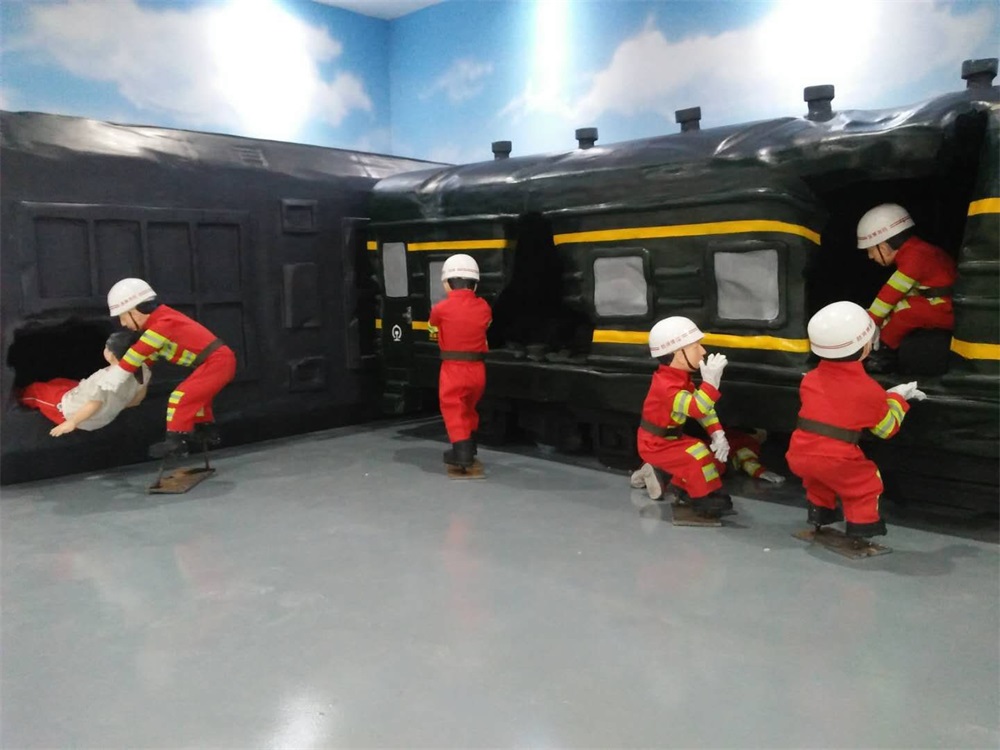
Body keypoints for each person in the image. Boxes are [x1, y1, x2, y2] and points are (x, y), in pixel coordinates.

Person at [785, 301, 926, 542]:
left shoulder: (809, 379)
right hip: (836, 459)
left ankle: (820, 515)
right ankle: (863, 528)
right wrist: (897, 398)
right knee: (865, 483)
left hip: (798, 454)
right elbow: (886, 429)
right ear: (865, 346)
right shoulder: (868, 390)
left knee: (819, 481)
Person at [103, 278, 237, 458]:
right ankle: (205, 430)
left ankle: (176, 441)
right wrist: (132, 374)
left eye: (123, 317)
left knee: (180, 397)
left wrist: (118, 374)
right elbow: (149, 357)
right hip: (215, 362)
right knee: (196, 398)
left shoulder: (163, 323)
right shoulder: (160, 324)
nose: (123, 323)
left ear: (135, 311)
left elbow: (140, 351)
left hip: (217, 362)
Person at [630, 316, 733, 517]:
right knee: (696, 457)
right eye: (695, 347)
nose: (703, 351)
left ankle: (685, 487)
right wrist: (711, 384)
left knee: (707, 453)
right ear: (678, 354)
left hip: (669, 440)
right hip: (655, 444)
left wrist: (717, 434)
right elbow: (697, 408)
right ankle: (702, 497)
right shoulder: (667, 387)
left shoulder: (679, 381)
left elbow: (705, 410)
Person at [857, 203, 957, 372]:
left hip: (945, 308)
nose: (870, 257)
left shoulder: (914, 258)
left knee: (905, 315)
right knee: (899, 308)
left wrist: (871, 322)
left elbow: (890, 293)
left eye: (871, 251)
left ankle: (883, 355)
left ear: (883, 247)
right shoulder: (918, 252)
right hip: (940, 303)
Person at [18, 331, 150, 436]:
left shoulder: (105, 379)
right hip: (102, 418)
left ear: (111, 355)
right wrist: (113, 404)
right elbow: (136, 401)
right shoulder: (143, 370)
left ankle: (19, 397)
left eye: (107, 348)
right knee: (59, 382)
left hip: (70, 410)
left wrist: (72, 422)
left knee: (36, 390)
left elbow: (94, 404)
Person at [428, 254, 492, 469]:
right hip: (478, 369)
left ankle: (462, 453)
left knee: (453, 408)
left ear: (447, 283)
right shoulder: (484, 307)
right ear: (475, 285)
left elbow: (433, 324)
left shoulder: (441, 309)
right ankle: (470, 446)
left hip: (453, 368)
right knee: (469, 407)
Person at [631, 426, 785, 495]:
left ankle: (648, 470)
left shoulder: (728, 432)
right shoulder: (748, 442)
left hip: (701, 449)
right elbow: (748, 460)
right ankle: (661, 477)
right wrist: (761, 472)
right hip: (716, 461)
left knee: (680, 462)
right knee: (695, 475)